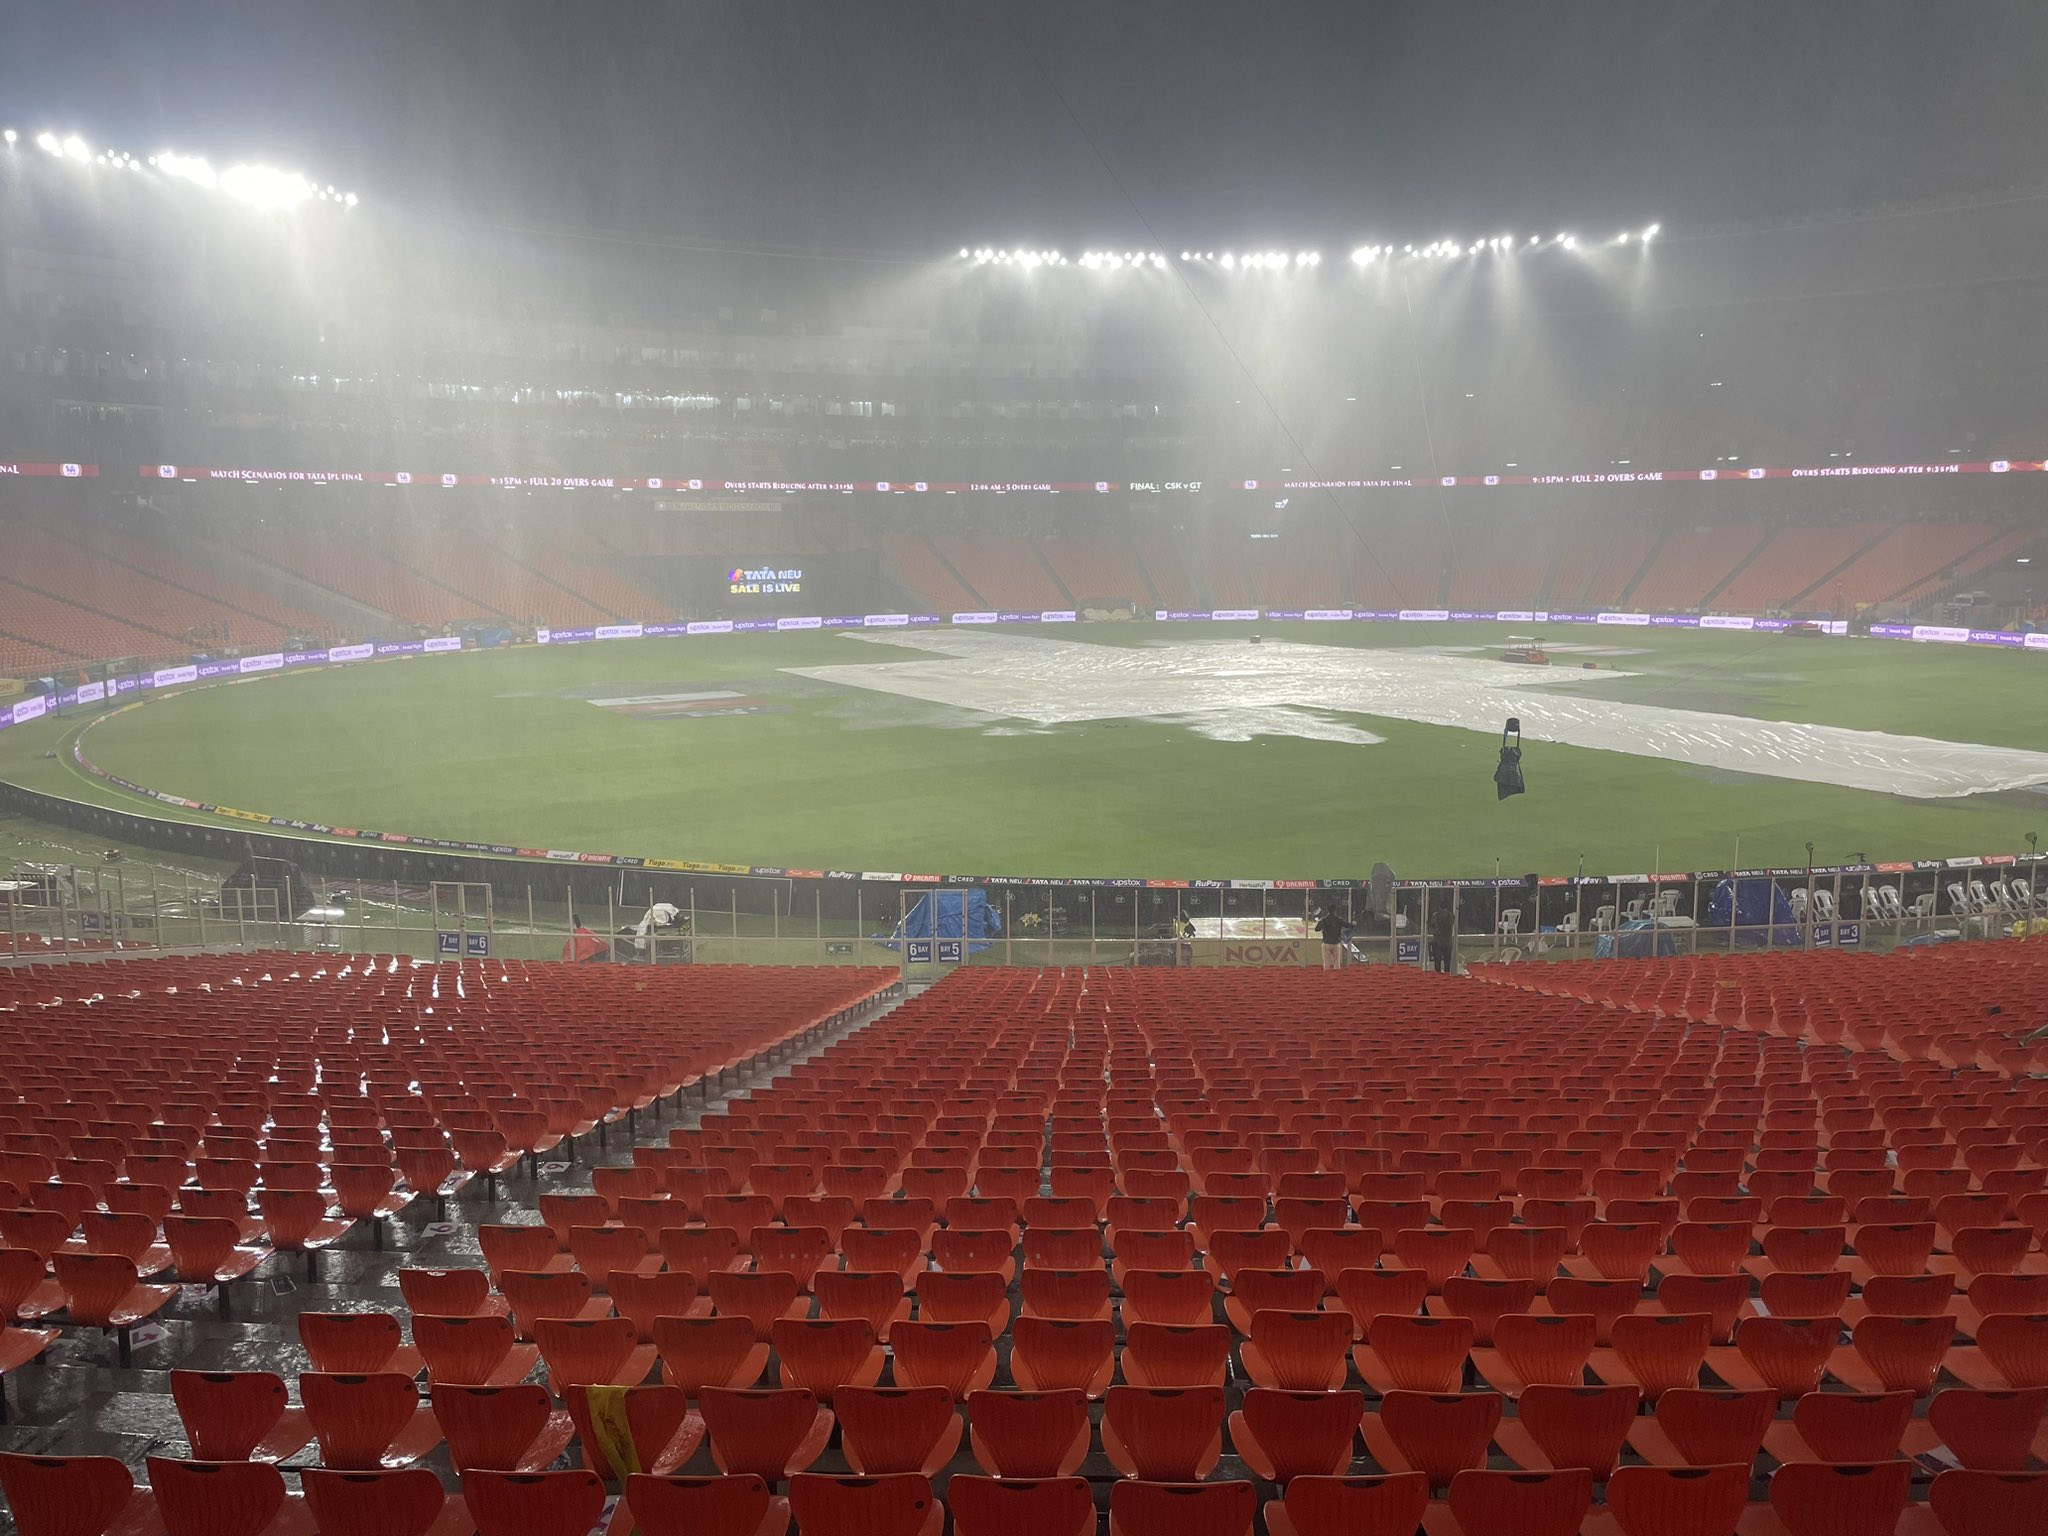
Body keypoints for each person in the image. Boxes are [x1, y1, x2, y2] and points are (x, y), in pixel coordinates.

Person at [1312, 906, 1353, 971]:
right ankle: (1336, 977)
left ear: (1327, 911)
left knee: (1326, 962)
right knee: (1337, 962)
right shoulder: (1338, 920)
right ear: (1335, 911)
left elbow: (1317, 929)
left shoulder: (1324, 919)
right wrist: (1353, 924)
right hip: (1335, 943)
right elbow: (1348, 925)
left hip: (1326, 942)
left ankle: (1326, 976)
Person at [1428, 897, 1457, 974]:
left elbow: (1432, 925)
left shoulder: (1436, 915)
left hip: (1437, 942)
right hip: (1448, 942)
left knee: (1437, 963)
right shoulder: (1451, 916)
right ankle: (1447, 977)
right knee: (1447, 963)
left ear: (1439, 907)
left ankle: (1438, 977)